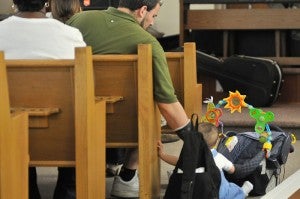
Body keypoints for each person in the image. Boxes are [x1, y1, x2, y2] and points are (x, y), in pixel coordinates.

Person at [65, 0, 191, 198]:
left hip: (72, 119)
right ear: (142, 11)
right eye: (153, 16)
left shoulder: (78, 19)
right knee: (154, 109)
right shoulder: (148, 42)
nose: (151, 22)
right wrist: (193, 139)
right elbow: (167, 103)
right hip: (123, 126)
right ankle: (127, 176)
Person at [0, 1, 86, 198]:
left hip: (6, 131)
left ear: (14, 2)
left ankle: (26, 189)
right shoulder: (70, 34)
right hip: (62, 132)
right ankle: (67, 191)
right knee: (77, 109)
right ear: (46, 3)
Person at [158, 122, 254, 199]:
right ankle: (242, 192)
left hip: (193, 193)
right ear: (217, 142)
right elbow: (232, 170)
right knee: (230, 188)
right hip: (216, 193)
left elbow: (178, 162)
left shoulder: (189, 156)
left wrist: (163, 155)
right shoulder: (218, 157)